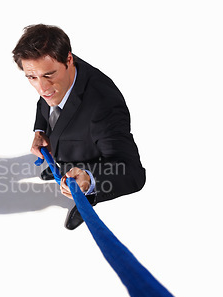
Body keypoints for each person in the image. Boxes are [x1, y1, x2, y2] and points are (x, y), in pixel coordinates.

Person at [12, 24, 146, 230]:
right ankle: (63, 166)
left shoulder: (104, 106)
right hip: (67, 149)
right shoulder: (52, 67)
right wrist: (40, 131)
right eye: (32, 77)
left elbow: (133, 173)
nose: (41, 87)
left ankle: (87, 195)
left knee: (86, 183)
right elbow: (44, 100)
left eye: (48, 75)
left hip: (93, 165)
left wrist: (90, 180)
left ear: (69, 60)